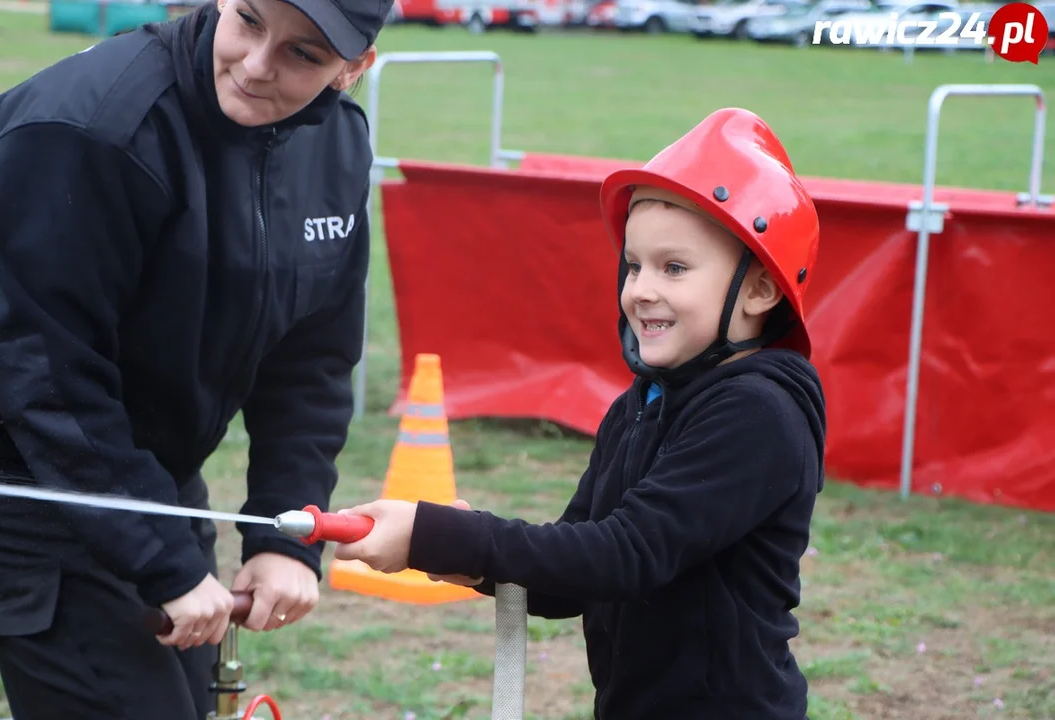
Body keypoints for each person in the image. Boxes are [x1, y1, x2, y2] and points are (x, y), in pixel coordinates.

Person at [329, 107, 828, 719]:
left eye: (674, 268)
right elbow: (577, 571)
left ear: (759, 289)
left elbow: (625, 555)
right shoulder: (641, 405)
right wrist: (455, 552)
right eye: (635, 264)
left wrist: (444, 533)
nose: (642, 288)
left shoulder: (758, 415)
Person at [0, 0, 390, 715]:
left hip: (155, 477)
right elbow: (47, 376)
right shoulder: (85, 129)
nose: (257, 66)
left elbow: (310, 363)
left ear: (354, 69)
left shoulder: (338, 144)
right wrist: (161, 559)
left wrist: (287, 532)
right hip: (26, 480)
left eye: (304, 54)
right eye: (250, 21)